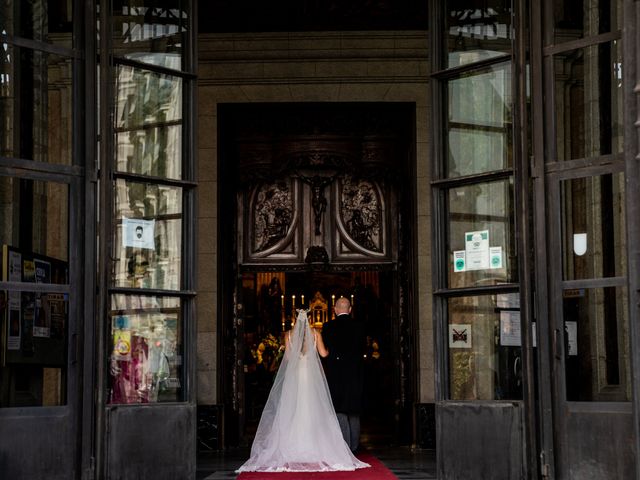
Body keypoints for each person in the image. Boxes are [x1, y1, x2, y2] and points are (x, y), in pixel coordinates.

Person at [236, 309, 370, 473]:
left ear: (295, 319)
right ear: (309, 319)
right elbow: (324, 353)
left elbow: (286, 359)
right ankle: (314, 446)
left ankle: (293, 446)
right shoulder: (316, 333)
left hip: (295, 377)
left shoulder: (288, 335)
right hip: (311, 378)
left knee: (293, 409)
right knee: (313, 408)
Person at [321, 297, 365, 452]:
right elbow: (363, 350)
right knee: (354, 411)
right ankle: (354, 447)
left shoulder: (327, 327)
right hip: (355, 373)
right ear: (350, 309)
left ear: (335, 309)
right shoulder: (359, 326)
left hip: (336, 374)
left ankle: (345, 448)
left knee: (340, 410)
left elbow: (324, 352)